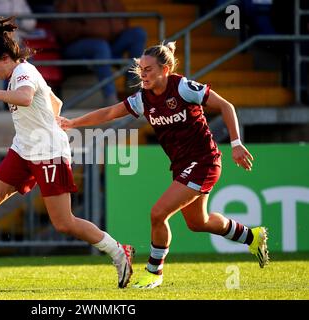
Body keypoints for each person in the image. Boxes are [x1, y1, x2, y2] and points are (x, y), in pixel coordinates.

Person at [0, 17, 134, 289]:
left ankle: (119, 252)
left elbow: (24, 98)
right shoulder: (22, 74)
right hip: (23, 149)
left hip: (47, 152)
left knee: (64, 223)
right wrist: (51, 120)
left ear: (5, 57)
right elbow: (55, 101)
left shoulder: (23, 73)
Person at [57, 42, 270, 289]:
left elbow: (226, 106)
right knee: (198, 222)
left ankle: (154, 272)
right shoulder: (143, 99)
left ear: (165, 69)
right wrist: (73, 123)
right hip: (182, 165)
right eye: (140, 69)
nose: (142, 75)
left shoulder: (182, 87)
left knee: (158, 213)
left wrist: (236, 143)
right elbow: (109, 113)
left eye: (148, 69)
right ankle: (252, 236)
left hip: (204, 161)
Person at [52, 0, 147, 105]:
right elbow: (62, 28)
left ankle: (133, 81)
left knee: (138, 33)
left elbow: (123, 22)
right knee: (100, 46)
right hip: (77, 46)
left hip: (108, 45)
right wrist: (90, 30)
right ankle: (110, 98)